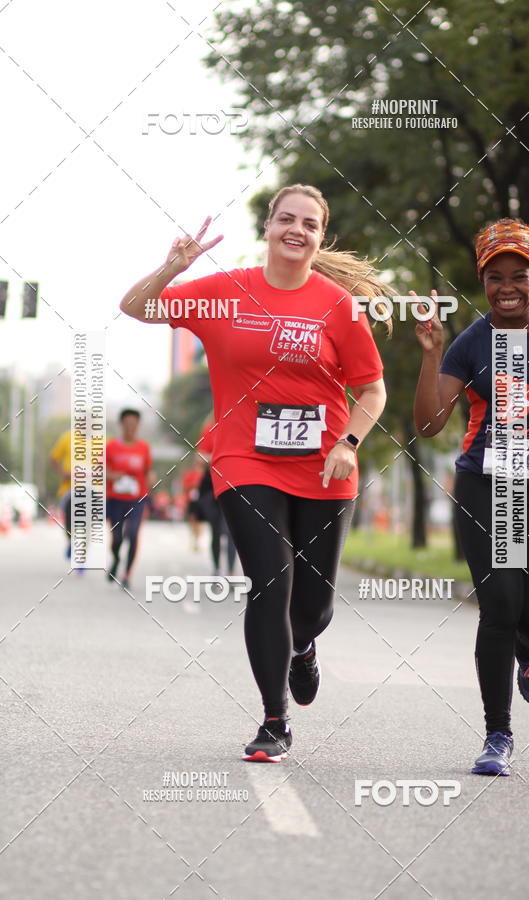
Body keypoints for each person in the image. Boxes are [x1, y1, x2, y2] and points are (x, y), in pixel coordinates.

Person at [119, 183, 389, 761]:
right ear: (268, 227)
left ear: (320, 237)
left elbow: (371, 389)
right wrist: (170, 269)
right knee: (270, 582)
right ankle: (274, 720)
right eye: (286, 219)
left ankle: (304, 648)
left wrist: (348, 441)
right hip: (245, 460)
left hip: (324, 466)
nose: (296, 229)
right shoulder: (225, 292)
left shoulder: (337, 306)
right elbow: (136, 307)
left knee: (312, 608)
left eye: (309, 223)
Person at [413, 218, 529, 776]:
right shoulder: (470, 343)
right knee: (500, 607)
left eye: (519, 275)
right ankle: (498, 734)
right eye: (495, 277)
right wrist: (430, 353)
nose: (507, 286)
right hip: (486, 486)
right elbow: (428, 425)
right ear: (483, 281)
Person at [106, 409, 153, 590]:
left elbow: (148, 471)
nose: (130, 428)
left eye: (134, 425)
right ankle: (116, 559)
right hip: (115, 498)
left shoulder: (143, 448)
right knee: (117, 537)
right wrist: (113, 476)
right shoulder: (111, 447)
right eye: (127, 424)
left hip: (137, 498)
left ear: (138, 426)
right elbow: (100, 471)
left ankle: (127, 574)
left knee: (133, 534)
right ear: (121, 425)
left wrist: (149, 489)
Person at [196, 417, 237, 575]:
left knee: (230, 531)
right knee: (216, 531)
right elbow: (199, 456)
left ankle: (231, 572)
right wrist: (218, 459)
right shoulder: (210, 428)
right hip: (211, 487)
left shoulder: (238, 426)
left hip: (233, 484)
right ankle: (217, 569)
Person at [49, 428, 75, 564]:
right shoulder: (67, 438)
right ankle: (72, 541)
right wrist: (63, 472)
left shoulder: (101, 441)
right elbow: (54, 458)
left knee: (88, 524)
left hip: (92, 489)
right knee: (70, 524)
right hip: (69, 489)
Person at [182, 455, 206, 551]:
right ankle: (194, 539)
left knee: (200, 522)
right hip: (192, 500)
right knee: (192, 520)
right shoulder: (190, 474)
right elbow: (185, 487)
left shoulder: (204, 474)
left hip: (201, 500)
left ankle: (197, 540)